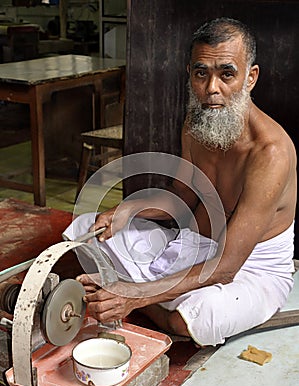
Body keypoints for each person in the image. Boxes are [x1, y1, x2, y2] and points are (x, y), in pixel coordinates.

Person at [64, 17, 297, 346]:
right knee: (88, 230)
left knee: (194, 317)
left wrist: (136, 295)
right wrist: (127, 210)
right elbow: (183, 196)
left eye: (226, 74)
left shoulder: (271, 153)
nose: (212, 88)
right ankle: (141, 295)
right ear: (190, 73)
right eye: (202, 73)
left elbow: (227, 266)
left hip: (247, 269)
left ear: (250, 77)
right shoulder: (197, 122)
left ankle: (142, 302)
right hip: (191, 246)